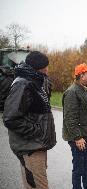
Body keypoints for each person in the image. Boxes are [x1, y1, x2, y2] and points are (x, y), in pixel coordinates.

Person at [3, 51, 56, 189]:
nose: (47, 69)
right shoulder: (23, 84)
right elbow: (10, 118)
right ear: (39, 67)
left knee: (33, 185)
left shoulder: (34, 82)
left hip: (37, 145)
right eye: (46, 66)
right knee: (39, 186)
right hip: (31, 147)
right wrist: (36, 132)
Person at [62, 63, 87, 189]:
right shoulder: (72, 92)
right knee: (79, 167)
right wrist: (77, 137)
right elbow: (69, 118)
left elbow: (86, 112)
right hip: (78, 137)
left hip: (86, 135)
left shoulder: (85, 89)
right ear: (81, 75)